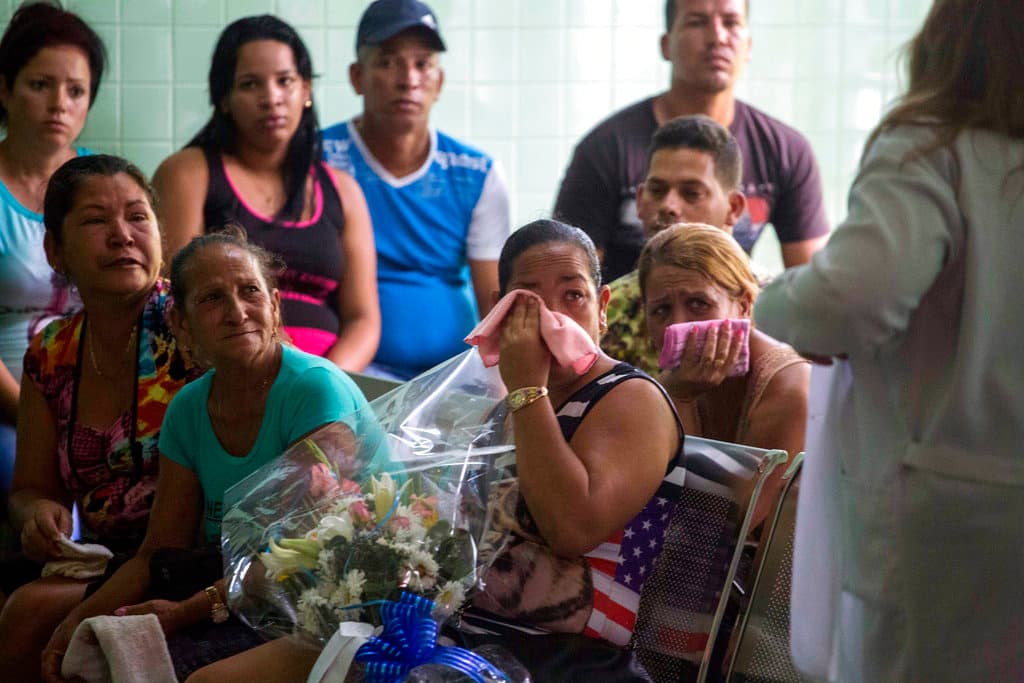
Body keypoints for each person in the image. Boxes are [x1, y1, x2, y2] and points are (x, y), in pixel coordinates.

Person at [753, 1, 1024, 679]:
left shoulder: (934, 147)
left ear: (947, 40)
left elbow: (847, 301)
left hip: (952, 522)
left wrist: (772, 300)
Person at [42, 228, 371, 682]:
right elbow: (160, 550)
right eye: (213, 298)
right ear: (180, 323)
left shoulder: (313, 390)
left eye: (250, 291)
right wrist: (74, 621)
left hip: (338, 603)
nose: (237, 313)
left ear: (275, 305)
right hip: (244, 597)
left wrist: (182, 613)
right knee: (89, 651)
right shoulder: (189, 408)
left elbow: (301, 553)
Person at [0, 154, 191, 682]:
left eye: (137, 217)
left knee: (29, 614)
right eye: (94, 220)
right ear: (55, 251)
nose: (122, 235)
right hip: (107, 557)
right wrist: (38, 514)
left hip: (196, 559)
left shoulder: (198, 324)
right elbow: (31, 489)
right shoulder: (51, 353)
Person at [464, 220, 682, 673]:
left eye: (574, 295)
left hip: (569, 661)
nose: (554, 316)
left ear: (602, 308)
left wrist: (527, 389)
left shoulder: (631, 397)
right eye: (530, 299)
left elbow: (571, 528)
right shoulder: (509, 407)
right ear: (498, 309)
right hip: (477, 640)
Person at [155, 15, 379, 373]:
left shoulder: (344, 191)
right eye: (249, 84)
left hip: (329, 383)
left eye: (285, 81)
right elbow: (172, 296)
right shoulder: (189, 173)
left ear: (306, 91)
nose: (271, 98)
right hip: (226, 377)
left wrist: (325, 381)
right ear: (224, 99)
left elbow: (363, 319)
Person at [554, 0, 829, 283]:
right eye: (697, 22)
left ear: (748, 45)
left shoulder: (786, 150)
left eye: (731, 23)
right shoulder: (605, 150)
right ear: (665, 45)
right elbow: (570, 283)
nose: (718, 37)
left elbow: (811, 286)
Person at [322, 0, 511, 380]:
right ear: (357, 77)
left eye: (423, 64)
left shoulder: (476, 173)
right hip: (349, 373)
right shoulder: (319, 160)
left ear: (438, 82)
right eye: (388, 62)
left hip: (453, 378)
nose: (408, 79)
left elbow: (495, 305)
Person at [0, 1, 106, 523]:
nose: (59, 104)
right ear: (4, 89)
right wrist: (41, 425)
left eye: (76, 90)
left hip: (99, 406)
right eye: (40, 85)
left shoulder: (103, 188)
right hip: (11, 406)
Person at [638, 223, 807, 458]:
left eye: (698, 304)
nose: (677, 324)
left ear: (744, 305)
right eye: (661, 310)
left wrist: (678, 399)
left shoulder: (790, 388)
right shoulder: (674, 381)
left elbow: (753, 495)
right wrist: (677, 396)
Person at [602, 115, 746, 376]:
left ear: (733, 207)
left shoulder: (775, 312)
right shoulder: (606, 314)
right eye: (657, 191)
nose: (668, 206)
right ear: (640, 201)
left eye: (691, 193)